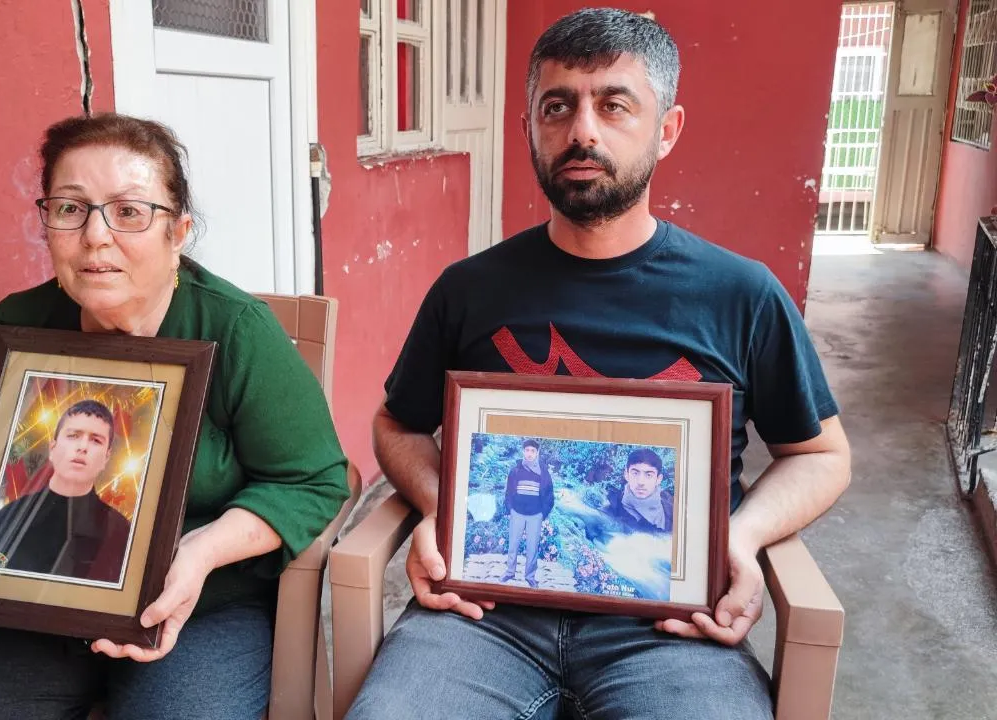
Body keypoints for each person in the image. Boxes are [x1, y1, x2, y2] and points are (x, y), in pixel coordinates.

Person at [350, 8, 851, 719]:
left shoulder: (741, 294)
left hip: (668, 625)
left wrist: (741, 536)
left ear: (667, 129)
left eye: (614, 105)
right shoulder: (468, 290)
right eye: (557, 107)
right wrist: (444, 508)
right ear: (530, 129)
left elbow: (821, 454)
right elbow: (397, 424)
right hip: (483, 613)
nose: (582, 131)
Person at [0, 112, 351, 719]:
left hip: (196, 603)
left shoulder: (238, 331)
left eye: (129, 211)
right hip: (34, 598)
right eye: (70, 209)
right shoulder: (15, 327)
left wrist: (201, 551)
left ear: (178, 231)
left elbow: (313, 480)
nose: (95, 237)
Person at [0, 399, 132, 584]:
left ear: (106, 458)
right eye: (73, 435)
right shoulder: (9, 518)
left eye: (95, 440)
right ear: (52, 448)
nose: (82, 447)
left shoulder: (120, 533)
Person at [500, 439, 554, 587]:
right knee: (513, 544)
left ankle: (530, 576)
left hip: (535, 515)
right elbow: (508, 492)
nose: (530, 453)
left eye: (533, 451)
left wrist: (543, 513)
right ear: (523, 451)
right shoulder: (516, 471)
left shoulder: (543, 472)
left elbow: (550, 494)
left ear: (537, 453)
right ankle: (509, 572)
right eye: (527, 450)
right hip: (517, 513)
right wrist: (510, 509)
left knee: (532, 547)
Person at [603, 447, 673, 535]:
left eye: (648, 475)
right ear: (626, 475)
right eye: (635, 473)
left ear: (659, 479)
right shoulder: (607, 515)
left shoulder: (673, 512)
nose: (641, 482)